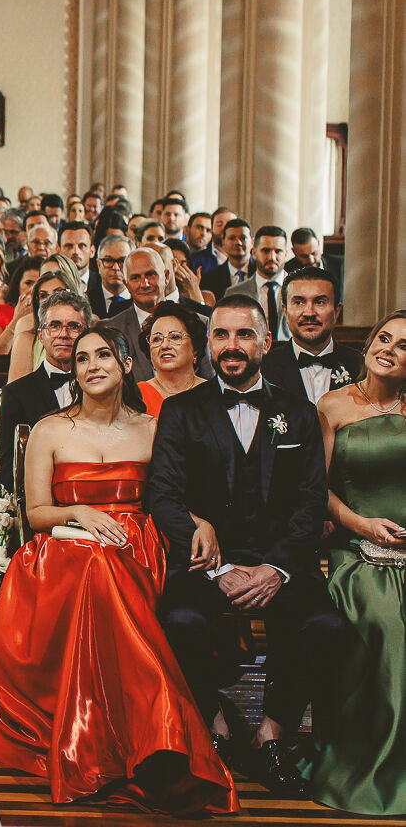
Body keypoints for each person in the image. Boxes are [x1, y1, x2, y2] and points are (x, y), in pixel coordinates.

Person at [0, 326, 239, 814]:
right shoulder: (50, 429)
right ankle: (153, 736)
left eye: (103, 355)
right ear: (74, 372)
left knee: (107, 565)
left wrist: (198, 520)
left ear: (125, 365)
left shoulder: (153, 427)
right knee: (95, 565)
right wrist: (80, 514)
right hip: (64, 547)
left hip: (136, 545)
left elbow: (169, 498)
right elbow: (36, 512)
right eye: (81, 359)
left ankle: (142, 740)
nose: (92, 365)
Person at [145, 295, 346, 798]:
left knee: (326, 626)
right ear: (208, 343)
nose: (232, 346)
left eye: (244, 335)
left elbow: (310, 502)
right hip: (205, 566)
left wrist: (277, 569)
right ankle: (217, 726)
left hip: (280, 564)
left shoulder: (297, 413)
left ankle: (270, 733)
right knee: (179, 623)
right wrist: (216, 567)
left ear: (266, 342)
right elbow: (163, 496)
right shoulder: (180, 410)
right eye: (221, 335)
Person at [312, 311, 406, 816]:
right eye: (383, 337)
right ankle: (375, 769)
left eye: (403, 345)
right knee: (388, 626)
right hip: (358, 551)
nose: (388, 347)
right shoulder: (334, 406)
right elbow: (315, 491)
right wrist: (360, 524)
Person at [0, 290, 93, 483]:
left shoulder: (102, 388)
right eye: (55, 326)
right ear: (41, 335)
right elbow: (9, 472)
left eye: (74, 327)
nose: (64, 334)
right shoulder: (15, 394)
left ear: (87, 334)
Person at [103, 247, 213, 382]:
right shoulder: (110, 329)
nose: (144, 284)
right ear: (126, 284)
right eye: (136, 278)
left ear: (166, 277)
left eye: (150, 274)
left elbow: (210, 381)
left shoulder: (199, 322)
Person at [261, 266, 361, 403]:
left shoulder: (361, 365)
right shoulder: (264, 368)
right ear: (285, 311)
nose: (309, 313)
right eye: (299, 302)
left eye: (320, 302)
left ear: (337, 311)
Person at [8, 267, 83, 382]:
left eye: (58, 293)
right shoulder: (26, 340)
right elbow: (16, 394)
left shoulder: (86, 336)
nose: (51, 300)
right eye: (43, 295)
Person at [135, 301, 207, 416]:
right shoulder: (136, 396)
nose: (165, 345)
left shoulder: (213, 393)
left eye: (175, 337)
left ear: (195, 349)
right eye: (157, 339)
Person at [224, 223, 291, 341]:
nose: (272, 257)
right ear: (254, 253)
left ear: (286, 254)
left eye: (278, 251)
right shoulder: (235, 293)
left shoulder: (298, 289)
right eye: (266, 250)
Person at [0, 256, 41, 356]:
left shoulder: (52, 314)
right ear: (17, 285)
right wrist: (16, 320)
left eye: (38, 285)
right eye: (28, 283)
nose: (33, 290)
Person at [200, 217, 254, 298]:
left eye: (243, 238)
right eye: (232, 238)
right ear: (223, 242)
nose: (238, 242)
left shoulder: (261, 272)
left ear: (252, 242)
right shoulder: (209, 278)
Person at [88, 234, 133, 319]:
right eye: (108, 261)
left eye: (122, 261)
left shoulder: (141, 300)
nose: (115, 268)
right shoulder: (86, 301)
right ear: (98, 265)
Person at [57, 220, 95, 292]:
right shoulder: (51, 284)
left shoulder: (103, 283)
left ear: (92, 251)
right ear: (58, 250)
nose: (75, 252)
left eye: (82, 246)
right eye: (69, 246)